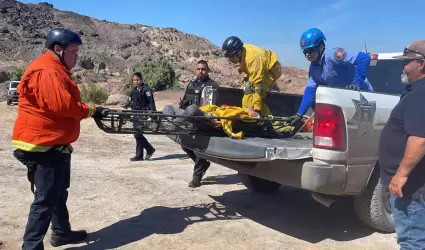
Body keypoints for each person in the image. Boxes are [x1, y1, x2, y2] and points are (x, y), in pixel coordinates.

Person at [11, 28, 108, 250]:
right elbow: (63, 106)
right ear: (59, 49)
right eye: (74, 52)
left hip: (52, 144)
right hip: (42, 146)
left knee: (57, 193)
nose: (76, 57)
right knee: (45, 200)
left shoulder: (54, 68)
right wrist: (92, 110)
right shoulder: (48, 71)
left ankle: (61, 233)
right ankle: (31, 247)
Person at [378, 40, 425, 250]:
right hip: (413, 185)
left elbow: (420, 139)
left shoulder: (420, 95)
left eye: (406, 62)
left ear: (421, 63)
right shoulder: (417, 92)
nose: (402, 66)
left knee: (411, 241)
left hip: (411, 188)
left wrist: (401, 175)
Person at [289, 28, 374, 126]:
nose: (307, 55)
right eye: (304, 52)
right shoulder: (314, 68)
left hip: (364, 100)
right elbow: (310, 91)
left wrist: (356, 83)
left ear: (321, 47)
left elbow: (364, 58)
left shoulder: (333, 55)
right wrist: (299, 114)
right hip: (346, 103)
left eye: (310, 50)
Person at [163, 60, 219, 187]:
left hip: (202, 117)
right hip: (187, 115)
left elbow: (210, 107)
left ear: (208, 70)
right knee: (168, 108)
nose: (201, 71)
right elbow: (183, 103)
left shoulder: (212, 85)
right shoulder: (192, 84)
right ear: (195, 70)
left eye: (203, 69)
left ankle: (197, 176)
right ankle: (172, 124)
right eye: (198, 69)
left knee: (193, 110)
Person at [221, 36, 282, 117]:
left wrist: (257, 108)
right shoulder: (242, 50)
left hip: (271, 70)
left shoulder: (253, 59)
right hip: (258, 68)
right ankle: (247, 115)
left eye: (231, 56)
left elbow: (258, 85)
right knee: (247, 88)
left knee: (258, 93)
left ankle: (266, 119)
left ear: (238, 52)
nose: (230, 59)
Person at [124, 72, 156, 161]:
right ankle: (139, 155)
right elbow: (132, 101)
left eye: (137, 80)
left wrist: (153, 114)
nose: (136, 81)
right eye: (134, 80)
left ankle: (149, 148)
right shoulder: (134, 90)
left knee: (137, 134)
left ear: (141, 80)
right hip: (135, 113)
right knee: (138, 133)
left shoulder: (146, 89)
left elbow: (151, 102)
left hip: (143, 114)